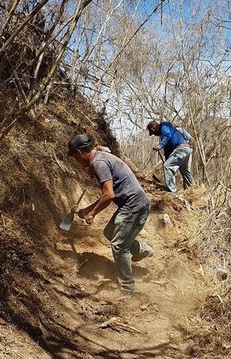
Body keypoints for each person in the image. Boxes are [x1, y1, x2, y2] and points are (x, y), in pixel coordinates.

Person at [67, 133, 153, 293]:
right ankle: (142, 250)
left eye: (74, 157)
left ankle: (127, 289)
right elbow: (107, 192)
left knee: (119, 246)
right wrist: (87, 210)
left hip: (134, 205)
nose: (77, 162)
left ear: (79, 153)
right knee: (110, 232)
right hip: (133, 203)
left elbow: (109, 195)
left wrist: (92, 213)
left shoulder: (99, 162)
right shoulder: (100, 157)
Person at [146, 120, 194, 193]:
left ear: (153, 129)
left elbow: (167, 135)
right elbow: (168, 151)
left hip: (180, 149)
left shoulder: (164, 126)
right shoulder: (167, 133)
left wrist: (159, 146)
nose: (155, 135)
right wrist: (167, 160)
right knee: (185, 171)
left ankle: (172, 191)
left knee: (167, 166)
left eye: (153, 133)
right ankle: (190, 191)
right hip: (186, 150)